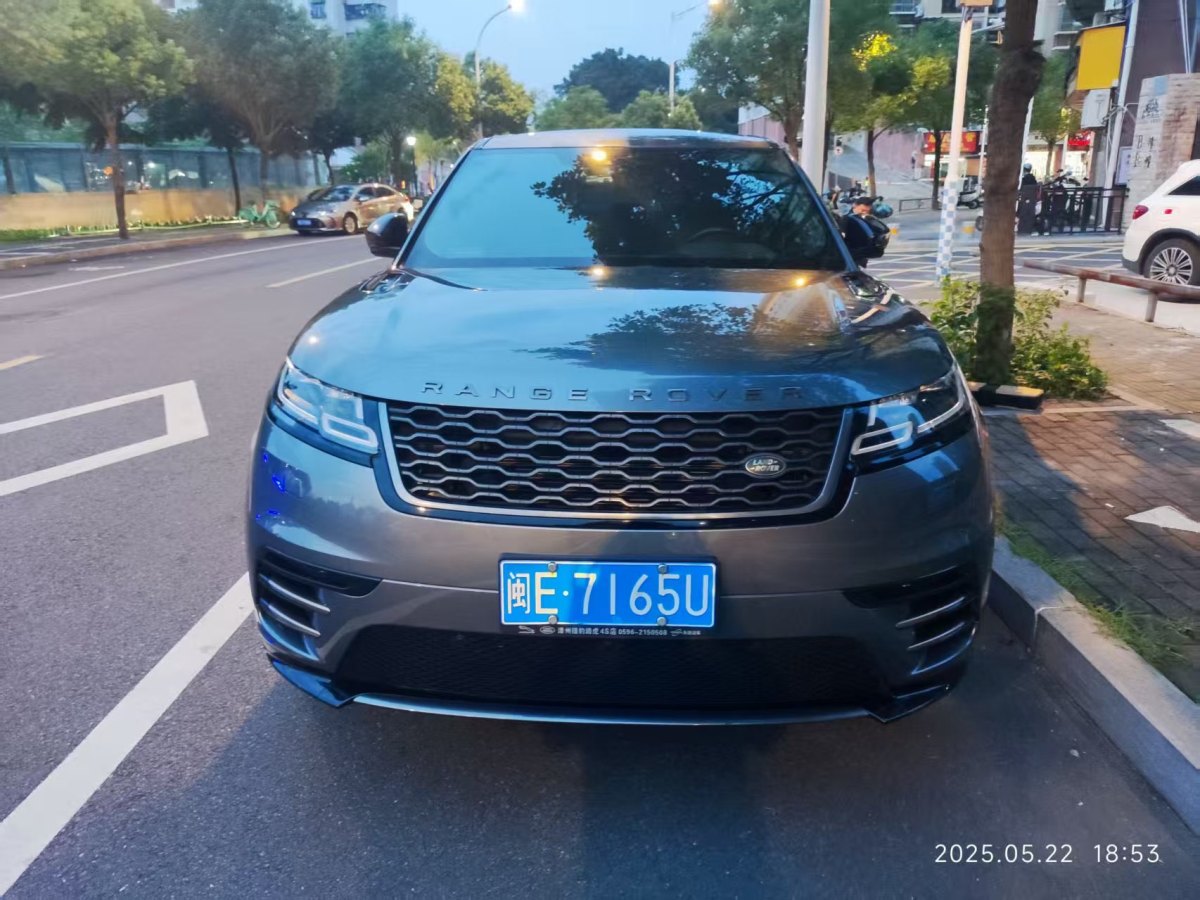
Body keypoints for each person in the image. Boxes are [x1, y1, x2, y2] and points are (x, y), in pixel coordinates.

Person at [842, 195, 890, 268]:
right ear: (855, 205)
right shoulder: (847, 219)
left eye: (867, 211)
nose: (864, 212)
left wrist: (870, 219)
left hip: (862, 254)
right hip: (852, 253)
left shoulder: (867, 219)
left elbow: (884, 230)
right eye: (862, 210)